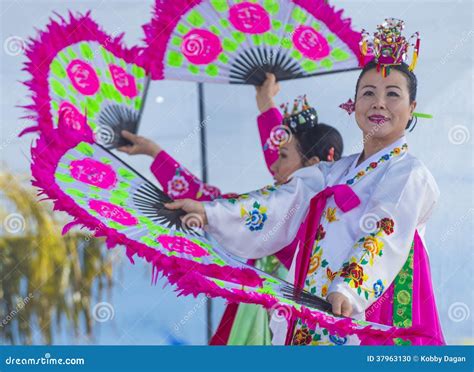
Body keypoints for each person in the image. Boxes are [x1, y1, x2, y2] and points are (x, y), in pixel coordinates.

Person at [165, 19, 445, 346]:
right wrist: (208, 211)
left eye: (392, 94)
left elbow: (385, 228)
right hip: (313, 306)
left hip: (368, 306)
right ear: (353, 105)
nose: (379, 102)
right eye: (368, 92)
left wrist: (350, 288)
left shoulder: (409, 172)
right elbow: (279, 200)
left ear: (412, 109)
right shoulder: (331, 173)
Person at [117, 74, 344, 345]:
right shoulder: (291, 197)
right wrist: (266, 104)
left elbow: (238, 201)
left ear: (314, 166)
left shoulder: (310, 203)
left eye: (282, 157)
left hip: (304, 319)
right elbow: (218, 199)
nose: (273, 166)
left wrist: (208, 212)